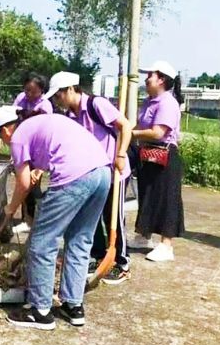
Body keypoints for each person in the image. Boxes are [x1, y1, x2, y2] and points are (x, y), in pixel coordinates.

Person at [0, 106, 111, 330]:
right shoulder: (41, 123)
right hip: (103, 172)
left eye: (0, 137)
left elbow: (23, 183)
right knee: (80, 239)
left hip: (75, 176)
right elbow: (53, 152)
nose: (5, 142)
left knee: (42, 242)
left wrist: (11, 208)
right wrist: (37, 171)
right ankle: (73, 306)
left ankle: (40, 311)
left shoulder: (18, 136)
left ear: (5, 130)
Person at [45, 71, 133, 284]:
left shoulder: (96, 105)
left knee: (112, 217)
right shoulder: (70, 117)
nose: (58, 101)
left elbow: (126, 126)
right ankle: (98, 255)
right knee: (90, 216)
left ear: (70, 90)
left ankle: (121, 262)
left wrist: (120, 154)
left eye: (58, 96)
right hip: (90, 174)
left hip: (115, 170)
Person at [130, 60, 185, 262]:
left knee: (166, 199)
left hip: (165, 155)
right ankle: (144, 236)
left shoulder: (167, 103)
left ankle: (166, 245)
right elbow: (138, 125)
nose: (146, 79)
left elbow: (158, 132)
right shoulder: (149, 101)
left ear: (161, 79)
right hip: (148, 154)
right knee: (147, 195)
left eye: (150, 76)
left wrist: (132, 133)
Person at [0, 73, 53, 233]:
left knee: (32, 185)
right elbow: (7, 121)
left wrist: (40, 167)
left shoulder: (45, 106)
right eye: (27, 91)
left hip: (38, 148)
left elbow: (46, 134)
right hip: (22, 143)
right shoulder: (20, 99)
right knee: (23, 182)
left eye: (34, 92)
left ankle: (36, 219)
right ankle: (27, 219)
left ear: (42, 91)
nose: (30, 95)